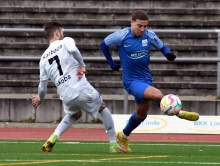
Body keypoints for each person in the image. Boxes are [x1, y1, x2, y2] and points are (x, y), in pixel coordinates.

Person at [100, 10, 199, 152]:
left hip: (146, 79)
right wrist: (111, 63)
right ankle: (179, 112)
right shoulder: (121, 36)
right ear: (131, 23)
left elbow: (161, 46)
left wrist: (168, 54)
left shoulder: (149, 35)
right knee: (158, 95)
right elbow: (103, 44)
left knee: (141, 115)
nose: (142, 29)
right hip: (131, 81)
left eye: (145, 26)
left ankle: (123, 135)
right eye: (139, 26)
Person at [32, 21, 125, 153]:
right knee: (102, 107)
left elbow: (42, 86)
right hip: (80, 87)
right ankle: (113, 144)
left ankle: (54, 136)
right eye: (62, 32)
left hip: (65, 94)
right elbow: (73, 50)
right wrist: (82, 64)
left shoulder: (43, 59)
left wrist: (40, 98)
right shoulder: (66, 41)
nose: (63, 35)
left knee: (74, 114)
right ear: (58, 33)